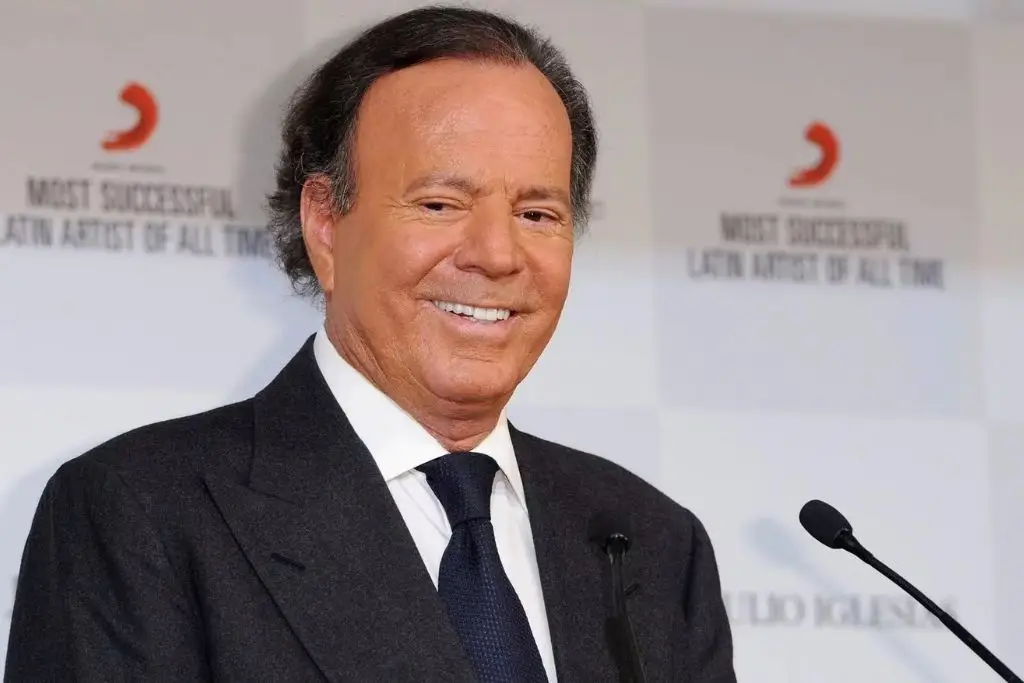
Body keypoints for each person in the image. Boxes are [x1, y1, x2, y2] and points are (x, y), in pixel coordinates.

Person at [4, 6, 735, 682]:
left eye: (537, 213)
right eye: (440, 204)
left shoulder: (653, 543)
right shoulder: (140, 514)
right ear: (326, 226)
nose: (497, 254)